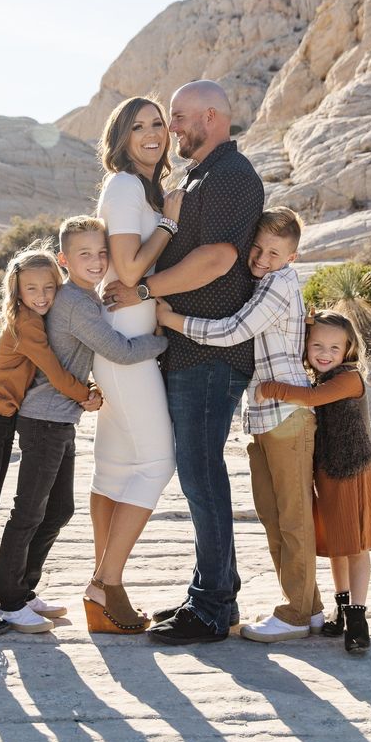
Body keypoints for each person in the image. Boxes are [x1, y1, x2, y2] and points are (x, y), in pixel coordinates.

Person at [107, 80, 264, 644]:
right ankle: (214, 594)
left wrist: (144, 291)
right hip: (186, 350)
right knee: (199, 474)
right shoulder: (197, 175)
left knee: (201, 474)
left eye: (177, 118)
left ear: (213, 116)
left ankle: (212, 607)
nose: (170, 129)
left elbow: (218, 258)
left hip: (210, 354)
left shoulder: (230, 175)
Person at [156, 206, 326, 643]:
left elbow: (235, 330)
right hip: (268, 417)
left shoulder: (280, 284)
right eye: (258, 247)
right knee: (275, 516)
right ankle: (310, 610)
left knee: (292, 518)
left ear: (291, 258)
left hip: (287, 417)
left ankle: (293, 612)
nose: (262, 257)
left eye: (274, 252)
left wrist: (172, 320)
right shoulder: (266, 281)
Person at [0, 215, 167, 634]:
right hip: (44, 419)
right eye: (84, 254)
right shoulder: (73, 302)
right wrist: (164, 337)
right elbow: (121, 351)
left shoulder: (83, 298)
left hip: (61, 419)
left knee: (58, 509)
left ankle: (26, 589)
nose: (96, 260)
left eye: (102, 253)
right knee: (30, 511)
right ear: (64, 260)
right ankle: (8, 600)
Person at [0, 240, 97, 636]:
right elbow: (55, 371)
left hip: (5, 421)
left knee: (11, 510)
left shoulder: (39, 317)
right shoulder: (27, 323)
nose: (42, 296)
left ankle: (13, 593)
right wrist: (86, 396)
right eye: (32, 289)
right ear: (17, 290)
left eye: (49, 287)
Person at [86, 96, 183, 633]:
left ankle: (101, 593)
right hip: (125, 345)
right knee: (156, 462)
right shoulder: (125, 187)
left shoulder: (144, 190)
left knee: (117, 468)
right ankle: (107, 583)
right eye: (138, 127)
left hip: (126, 339)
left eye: (158, 125)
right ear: (120, 139)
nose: (151, 134)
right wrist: (167, 226)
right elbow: (125, 269)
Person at [256, 309, 371, 653]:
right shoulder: (319, 377)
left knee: (355, 546)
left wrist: (270, 388)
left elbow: (312, 400)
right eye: (317, 345)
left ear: (348, 349)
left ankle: (358, 617)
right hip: (329, 471)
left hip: (353, 469)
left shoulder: (349, 378)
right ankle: (342, 607)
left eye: (334, 346)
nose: (325, 353)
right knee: (335, 543)